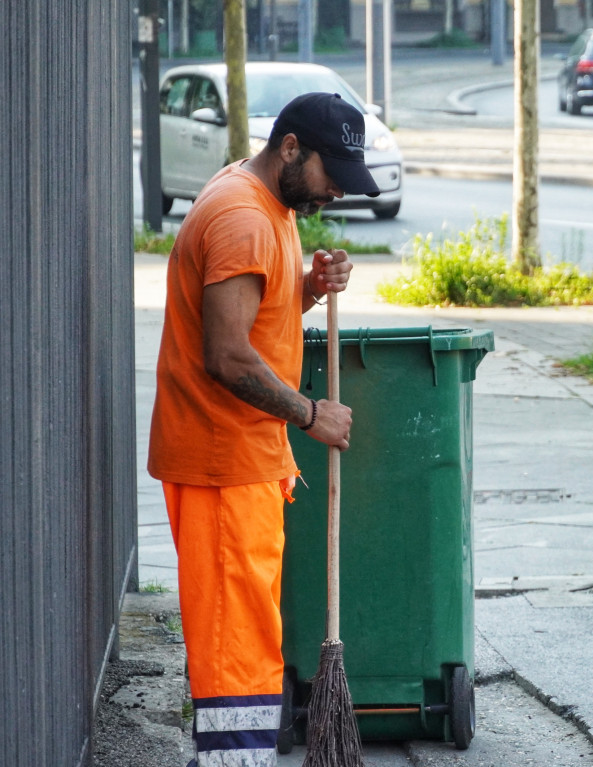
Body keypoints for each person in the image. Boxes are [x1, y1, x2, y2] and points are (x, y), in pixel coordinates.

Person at [149, 92, 380, 766]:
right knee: (234, 647)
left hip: (240, 459)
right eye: (329, 171)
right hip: (224, 462)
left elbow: (255, 312)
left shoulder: (262, 200)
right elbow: (226, 355)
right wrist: (310, 413)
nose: (335, 189)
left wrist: (307, 286)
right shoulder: (244, 217)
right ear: (289, 147)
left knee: (243, 638)